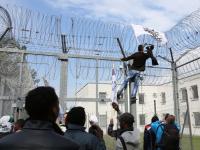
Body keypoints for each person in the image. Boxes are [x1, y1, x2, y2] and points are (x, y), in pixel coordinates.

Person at [0, 86, 79, 150]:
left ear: (27, 109)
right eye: (58, 105)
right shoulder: (70, 146)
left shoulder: (4, 143)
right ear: (54, 109)